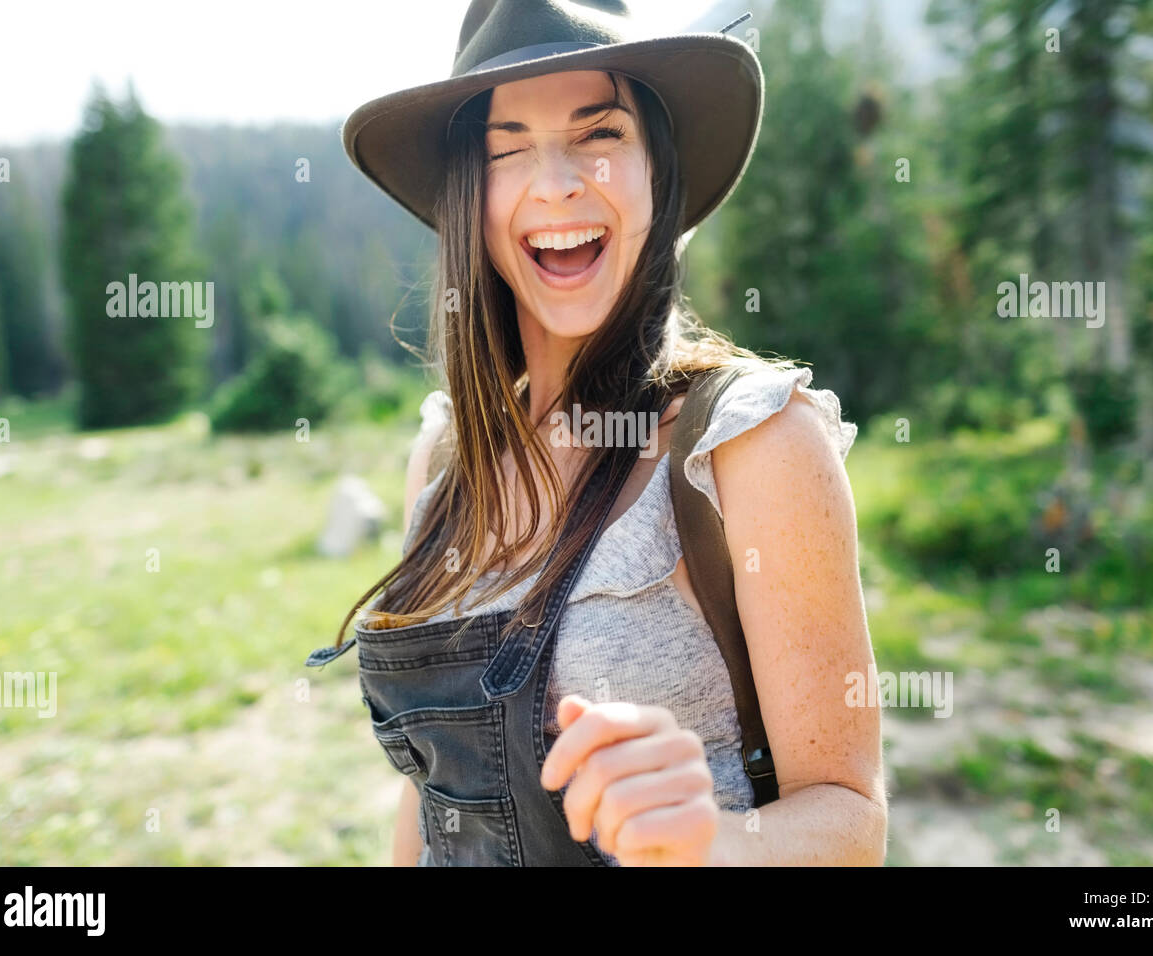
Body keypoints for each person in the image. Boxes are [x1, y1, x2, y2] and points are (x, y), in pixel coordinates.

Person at [306, 0, 885, 866]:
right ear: (472, 193)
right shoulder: (441, 461)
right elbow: (425, 797)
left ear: (657, 166)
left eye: (599, 133)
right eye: (507, 148)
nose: (556, 185)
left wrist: (711, 843)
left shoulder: (751, 444)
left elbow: (849, 820)